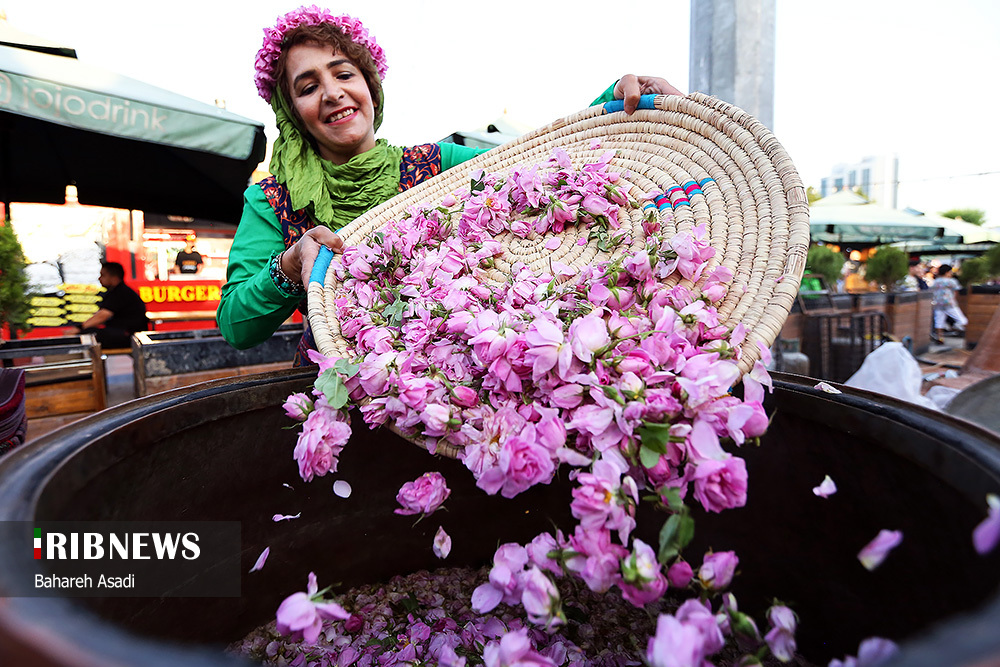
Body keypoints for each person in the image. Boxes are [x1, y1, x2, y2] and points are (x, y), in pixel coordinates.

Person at [217, 6, 683, 365]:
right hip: (338, 400)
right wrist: (288, 265)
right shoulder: (271, 201)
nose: (333, 92)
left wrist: (619, 100)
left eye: (343, 74)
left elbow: (539, 165)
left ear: (369, 87)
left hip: (452, 380)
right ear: (292, 112)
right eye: (307, 86)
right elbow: (236, 327)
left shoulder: (437, 165)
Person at [75, 261, 149, 349]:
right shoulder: (117, 292)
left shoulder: (121, 293)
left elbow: (102, 316)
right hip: (126, 334)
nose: (99, 278)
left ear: (114, 277)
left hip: (130, 337)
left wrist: (79, 328)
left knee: (88, 335)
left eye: (103, 275)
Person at [930, 263, 967, 343]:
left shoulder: (936, 281)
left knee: (939, 322)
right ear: (947, 272)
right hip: (950, 303)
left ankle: (940, 338)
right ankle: (958, 329)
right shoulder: (951, 281)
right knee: (962, 320)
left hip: (938, 304)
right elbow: (956, 291)